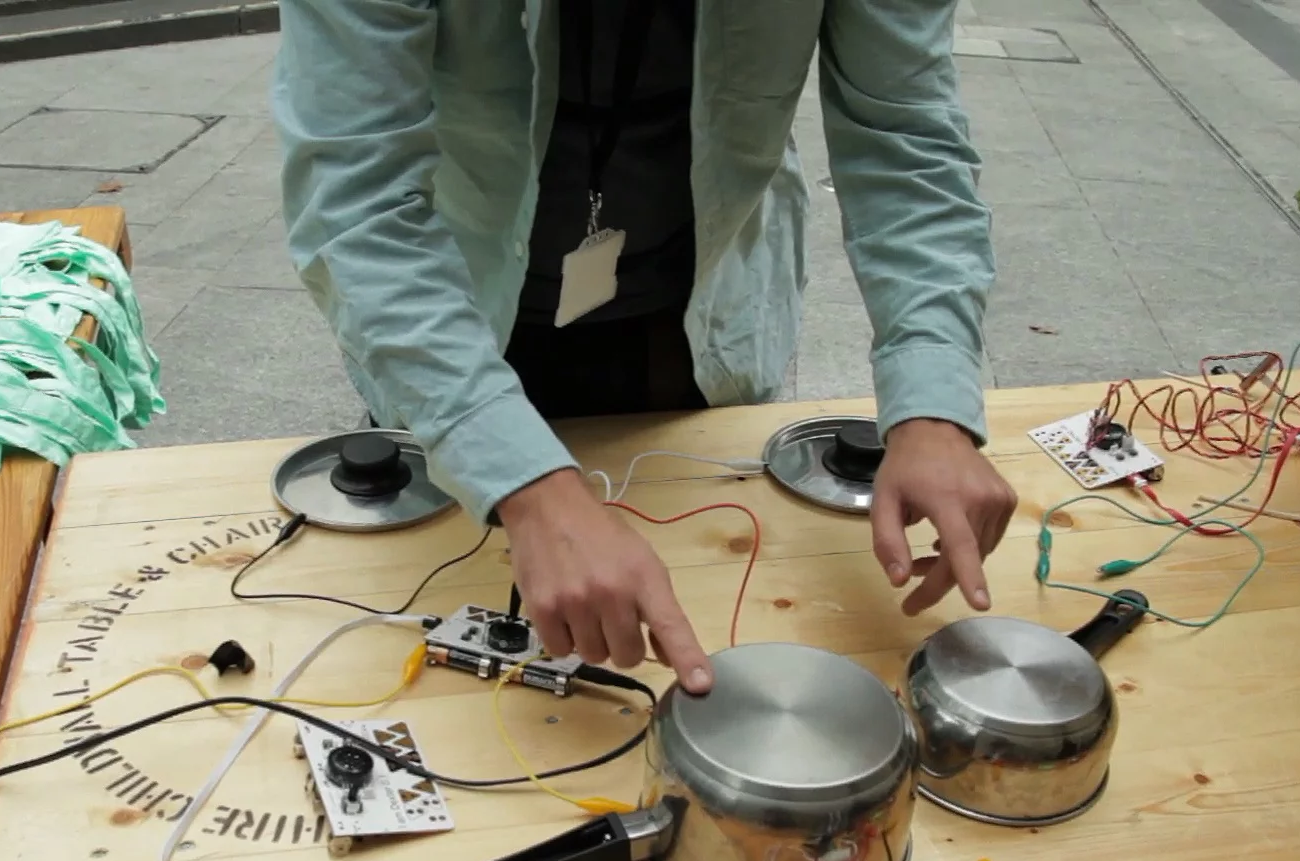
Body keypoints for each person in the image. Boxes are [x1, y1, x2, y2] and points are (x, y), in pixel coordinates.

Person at [270, 0, 1017, 695]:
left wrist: (933, 400)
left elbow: (907, 138)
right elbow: (355, 201)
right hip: (449, 331)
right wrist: (522, 482)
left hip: (699, 327)